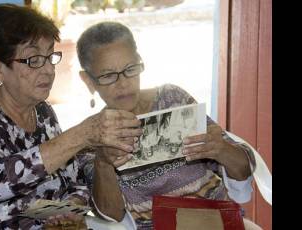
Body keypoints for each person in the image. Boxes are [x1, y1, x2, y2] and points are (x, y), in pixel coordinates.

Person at [0, 5, 142, 229]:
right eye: (34, 60)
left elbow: (73, 183)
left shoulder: (43, 112)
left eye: (49, 56)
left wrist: (68, 209)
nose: (48, 69)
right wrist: (81, 134)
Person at [76, 21, 261, 229]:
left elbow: (242, 170)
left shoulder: (173, 100)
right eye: (108, 76)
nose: (123, 83)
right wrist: (103, 163)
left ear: (140, 62)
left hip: (215, 219)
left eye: (130, 69)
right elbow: (110, 215)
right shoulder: (93, 136)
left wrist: (221, 149)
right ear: (88, 81)